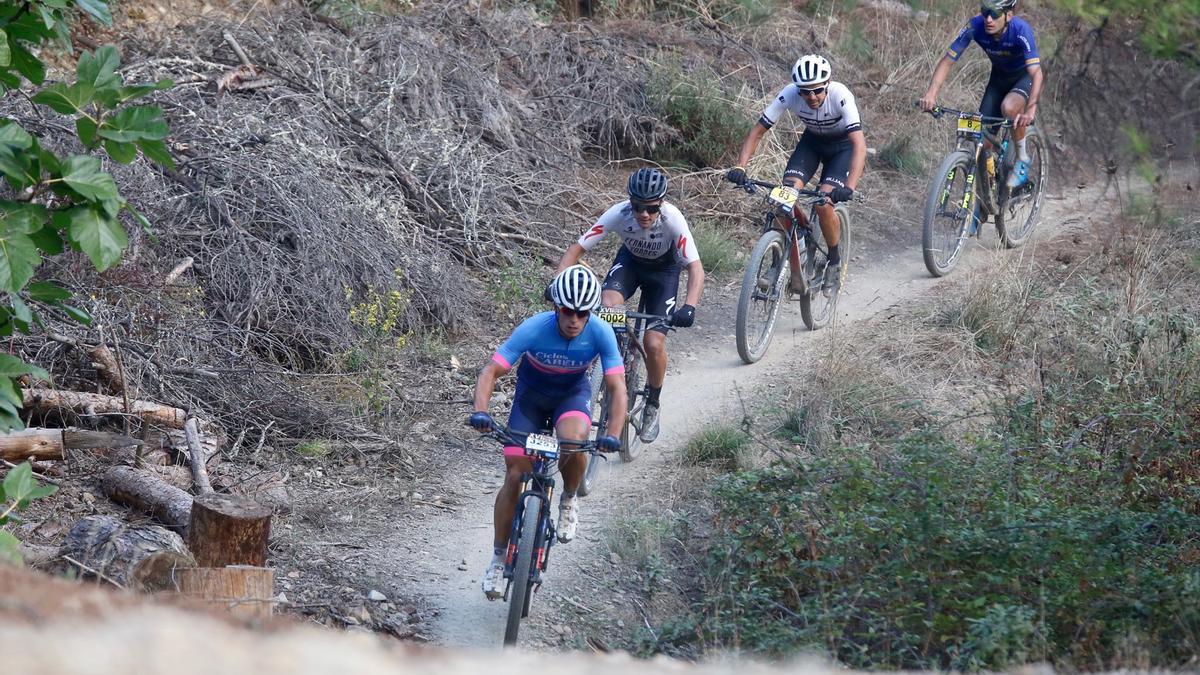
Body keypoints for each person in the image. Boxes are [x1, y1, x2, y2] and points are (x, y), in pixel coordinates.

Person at [468, 265, 626, 601]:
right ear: (556, 307)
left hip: (571, 397)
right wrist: (481, 411)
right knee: (514, 473)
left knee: (575, 440)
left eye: (583, 313)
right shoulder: (533, 328)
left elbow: (617, 386)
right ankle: (498, 559)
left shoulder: (600, 332)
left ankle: (569, 499)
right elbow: (490, 371)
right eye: (568, 311)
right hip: (531, 401)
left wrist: (613, 432)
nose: (574, 319)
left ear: (591, 313)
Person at [554, 167, 704, 444]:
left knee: (654, 343)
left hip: (664, 272)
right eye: (638, 206)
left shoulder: (673, 219)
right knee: (608, 306)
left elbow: (695, 268)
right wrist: (557, 283)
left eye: (651, 208)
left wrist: (689, 306)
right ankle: (613, 357)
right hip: (631, 264)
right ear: (629, 202)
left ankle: (652, 404)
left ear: (661, 203)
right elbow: (577, 249)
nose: (644, 214)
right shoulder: (618, 213)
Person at [725, 54, 866, 292]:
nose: (811, 97)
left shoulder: (841, 96)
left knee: (823, 204)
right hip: (811, 144)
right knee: (784, 198)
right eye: (805, 92)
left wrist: (849, 186)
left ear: (828, 84)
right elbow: (758, 131)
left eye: (817, 90)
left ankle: (833, 260)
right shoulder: (790, 93)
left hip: (842, 149)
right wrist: (740, 166)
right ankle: (777, 262)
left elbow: (859, 146)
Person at [918, 0, 1042, 188]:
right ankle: (988, 192)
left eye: (995, 14)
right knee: (981, 141)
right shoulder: (975, 25)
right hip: (998, 79)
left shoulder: (1020, 30)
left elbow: (1037, 73)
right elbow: (947, 61)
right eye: (985, 12)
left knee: (1009, 107)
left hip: (1024, 77)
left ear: (1008, 15)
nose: (989, 19)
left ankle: (1022, 157)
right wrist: (931, 95)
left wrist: (1030, 111)